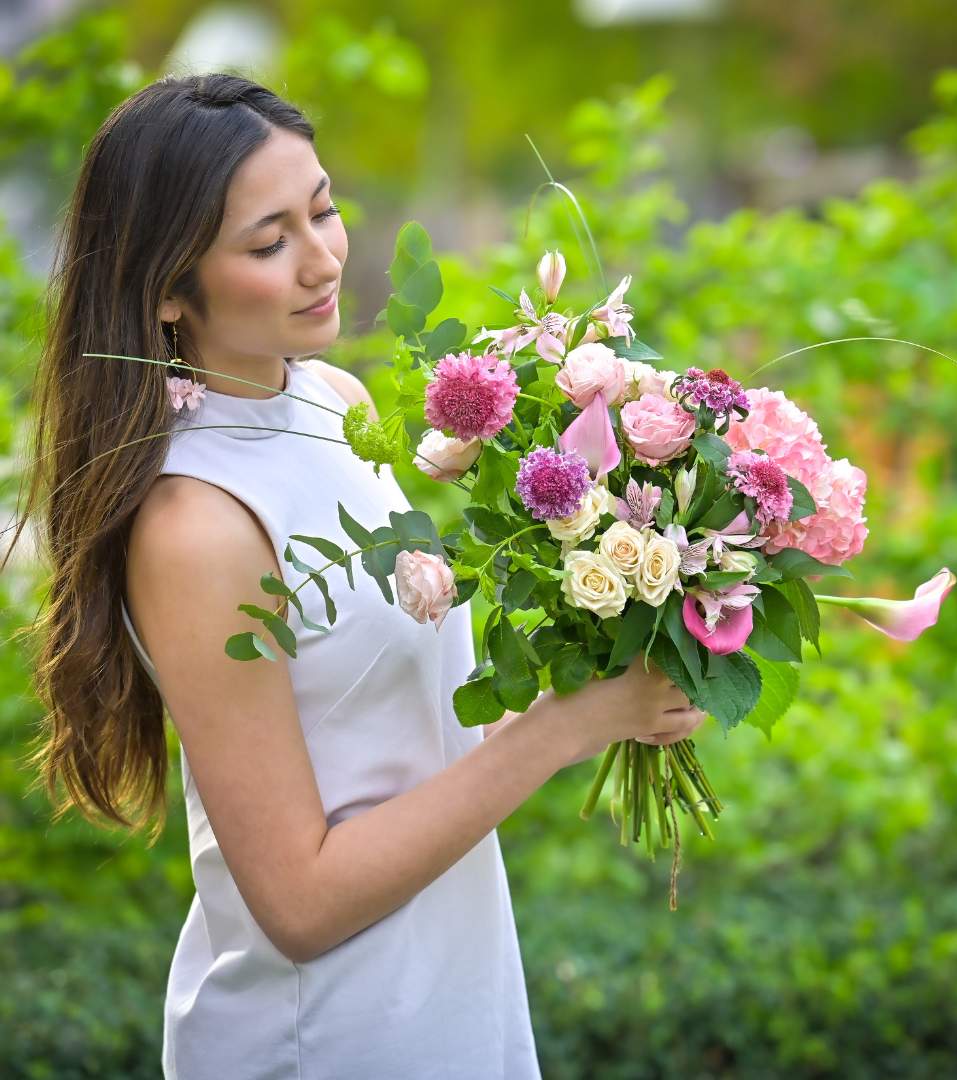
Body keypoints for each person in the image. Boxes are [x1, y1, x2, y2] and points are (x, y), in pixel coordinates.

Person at [6, 72, 707, 1079]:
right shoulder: (195, 522)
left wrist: (612, 669)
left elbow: (410, 738)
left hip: (452, 989)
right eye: (267, 242)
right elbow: (299, 902)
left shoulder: (333, 399)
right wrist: (568, 729)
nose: (322, 258)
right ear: (165, 289)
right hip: (325, 1035)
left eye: (323, 210)